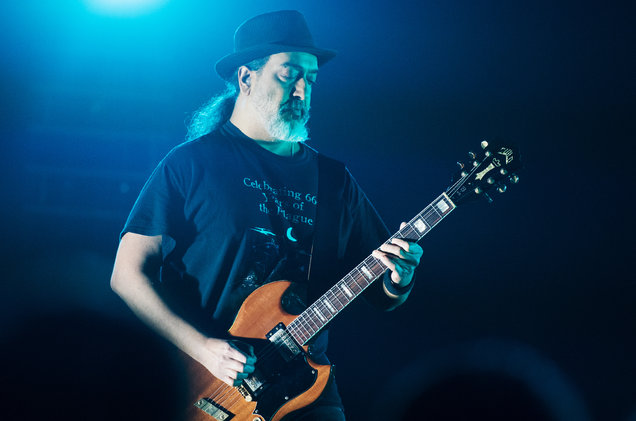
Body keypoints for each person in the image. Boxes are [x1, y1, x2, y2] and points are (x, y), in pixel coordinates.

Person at [110, 10, 422, 420]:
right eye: (288, 74)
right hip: (205, 383)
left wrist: (400, 278)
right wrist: (203, 348)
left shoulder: (334, 181)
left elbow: (383, 293)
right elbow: (127, 275)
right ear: (246, 78)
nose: (302, 90)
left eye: (310, 79)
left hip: (305, 386)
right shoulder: (191, 163)